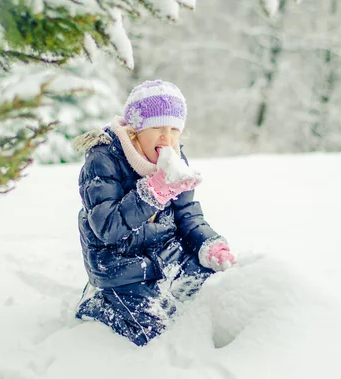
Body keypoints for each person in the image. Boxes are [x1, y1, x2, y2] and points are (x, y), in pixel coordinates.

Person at [74, 80, 236, 346]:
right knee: (156, 331)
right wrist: (153, 192)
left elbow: (186, 214)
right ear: (136, 130)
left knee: (213, 293)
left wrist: (210, 244)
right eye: (158, 128)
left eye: (174, 129)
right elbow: (107, 228)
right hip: (120, 264)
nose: (167, 138)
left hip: (166, 255)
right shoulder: (103, 159)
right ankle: (98, 304)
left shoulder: (175, 157)